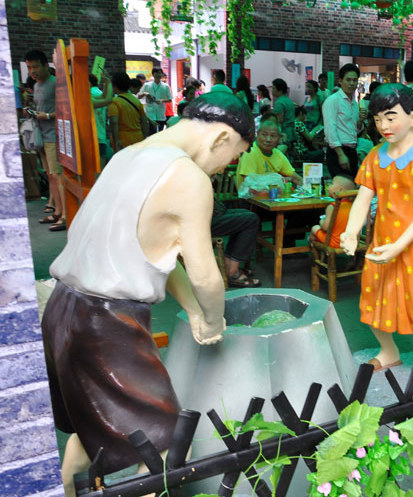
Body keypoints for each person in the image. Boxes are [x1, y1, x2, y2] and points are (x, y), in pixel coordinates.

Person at [42, 92, 254, 496]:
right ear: (221, 139)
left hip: (62, 309)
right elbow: (204, 274)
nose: (226, 165)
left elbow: (157, 253)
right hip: (106, 326)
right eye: (234, 155)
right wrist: (212, 319)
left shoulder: (128, 156)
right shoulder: (188, 177)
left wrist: (191, 310)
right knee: (165, 445)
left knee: (90, 432)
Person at [340, 83, 413, 397]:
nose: (384, 126)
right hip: (381, 243)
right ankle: (388, 351)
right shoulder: (375, 155)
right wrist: (351, 231)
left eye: (391, 117)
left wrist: (400, 246)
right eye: (377, 120)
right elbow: (362, 198)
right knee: (373, 297)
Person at [26, 49, 65, 231]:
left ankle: (65, 216)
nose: (32, 71)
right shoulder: (35, 86)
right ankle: (57, 211)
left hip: (53, 136)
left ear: (44, 65)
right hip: (41, 136)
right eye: (29, 67)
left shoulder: (56, 84)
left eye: (35, 66)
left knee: (57, 176)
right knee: (51, 176)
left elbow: (66, 111)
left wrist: (48, 115)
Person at [323, 63, 367, 177]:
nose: (352, 83)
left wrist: (361, 121)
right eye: (348, 80)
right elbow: (330, 129)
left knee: (351, 187)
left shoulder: (354, 102)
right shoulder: (333, 101)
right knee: (342, 188)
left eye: (354, 80)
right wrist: (340, 154)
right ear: (341, 81)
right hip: (338, 151)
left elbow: (355, 130)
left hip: (352, 151)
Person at [236, 117, 303, 188]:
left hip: (272, 196)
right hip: (251, 197)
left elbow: (296, 178)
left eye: (273, 136)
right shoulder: (249, 152)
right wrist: (283, 180)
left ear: (279, 138)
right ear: (257, 135)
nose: (268, 139)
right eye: (264, 135)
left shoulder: (277, 154)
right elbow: (251, 184)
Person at [210, 198, 262, 288]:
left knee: (244, 213)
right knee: (251, 220)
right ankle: (232, 272)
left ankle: (227, 265)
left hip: (210, 212)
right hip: (198, 220)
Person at [310, 175, 358, 247]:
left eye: (331, 184)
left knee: (315, 228)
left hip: (334, 242)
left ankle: (316, 251)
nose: (328, 186)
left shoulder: (332, 207)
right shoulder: (354, 205)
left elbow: (325, 227)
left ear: (340, 190)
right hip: (350, 241)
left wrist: (321, 222)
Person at [108, 72, 149, 152]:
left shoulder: (115, 102)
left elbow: (114, 122)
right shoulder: (136, 101)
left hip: (122, 139)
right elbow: (144, 121)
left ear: (115, 86)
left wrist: (116, 140)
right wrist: (144, 138)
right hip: (138, 137)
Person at [89, 73, 114, 166]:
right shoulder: (88, 98)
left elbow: (104, 97)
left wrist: (107, 83)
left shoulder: (89, 95)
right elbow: (108, 100)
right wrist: (109, 83)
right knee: (99, 166)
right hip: (96, 136)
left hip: (97, 135)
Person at [271, 78, 296, 147]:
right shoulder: (289, 100)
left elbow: (280, 121)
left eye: (273, 88)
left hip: (284, 132)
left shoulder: (279, 103)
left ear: (280, 90)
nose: (272, 91)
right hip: (292, 132)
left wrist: (278, 135)